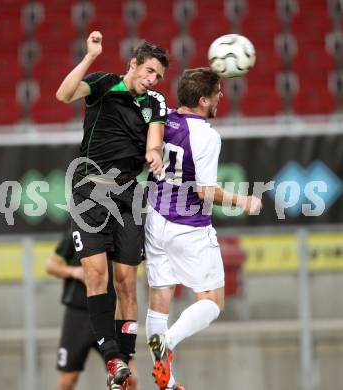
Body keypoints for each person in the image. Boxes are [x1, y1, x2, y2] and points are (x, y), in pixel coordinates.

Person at [56, 31, 169, 389]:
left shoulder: (155, 102)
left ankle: (125, 357)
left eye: (158, 76)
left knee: (126, 282)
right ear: (133, 64)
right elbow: (63, 94)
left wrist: (154, 153)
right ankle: (111, 356)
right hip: (89, 191)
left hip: (129, 197)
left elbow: (155, 138)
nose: (152, 80)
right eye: (149, 71)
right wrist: (89, 57)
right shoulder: (103, 84)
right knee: (96, 275)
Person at [144, 68, 263, 390]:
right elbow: (204, 191)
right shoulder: (206, 135)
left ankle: (166, 384)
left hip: (155, 219)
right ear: (202, 99)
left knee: (160, 297)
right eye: (217, 94)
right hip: (189, 226)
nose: (220, 98)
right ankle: (167, 341)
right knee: (212, 301)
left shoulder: (163, 119)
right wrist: (243, 201)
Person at [45, 232, 138, 390]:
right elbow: (51, 265)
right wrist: (74, 272)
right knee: (67, 380)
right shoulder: (78, 231)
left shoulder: (118, 232)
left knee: (129, 378)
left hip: (110, 313)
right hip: (78, 315)